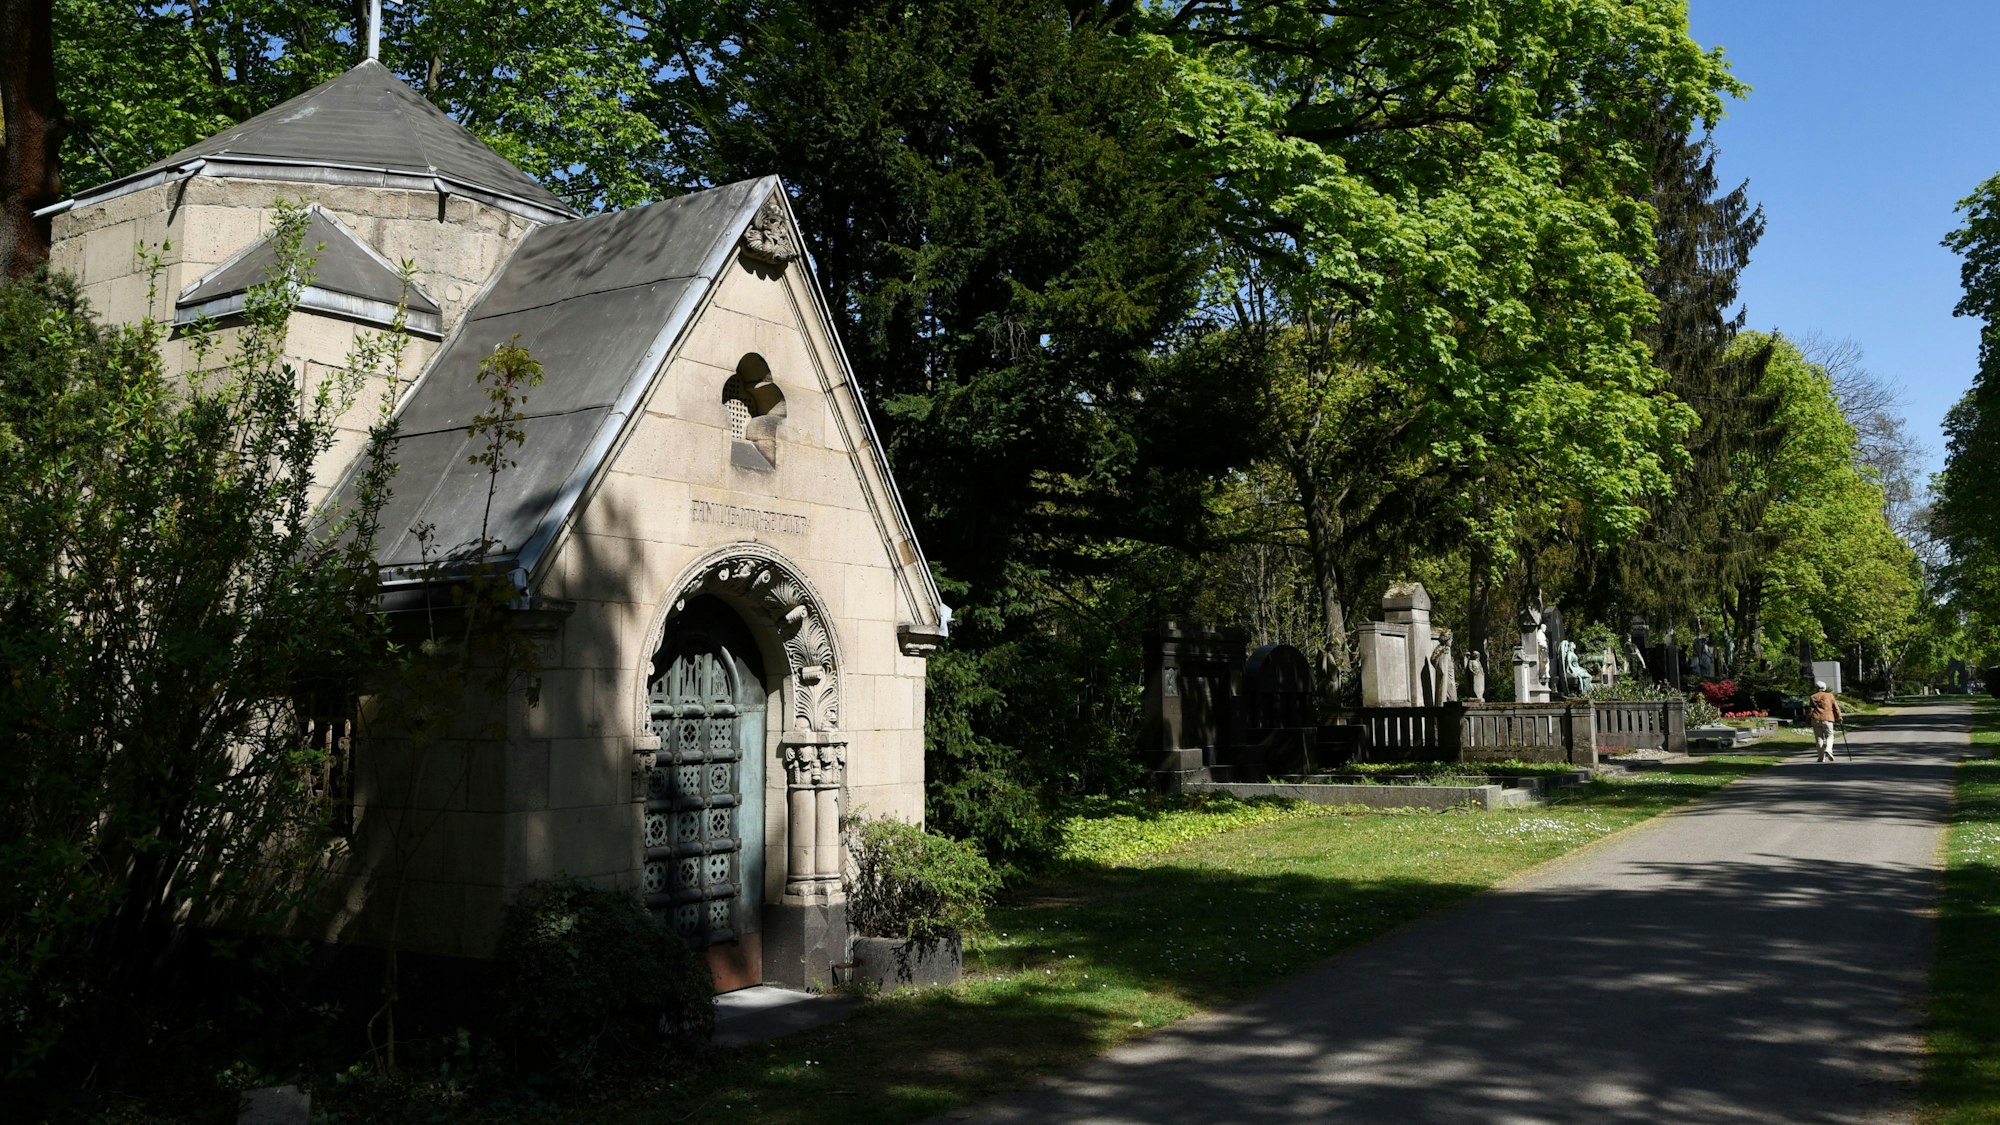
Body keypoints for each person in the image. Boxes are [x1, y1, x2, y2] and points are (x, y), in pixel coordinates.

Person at [1808, 680, 1844, 762]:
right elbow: (1836, 707)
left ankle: (1821, 758)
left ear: (1816, 688)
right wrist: (1839, 717)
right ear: (1824, 688)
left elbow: (1811, 710)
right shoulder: (1830, 696)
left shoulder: (1813, 696)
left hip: (1816, 718)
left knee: (1819, 738)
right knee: (1830, 735)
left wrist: (1808, 719)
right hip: (1828, 718)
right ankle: (1828, 749)